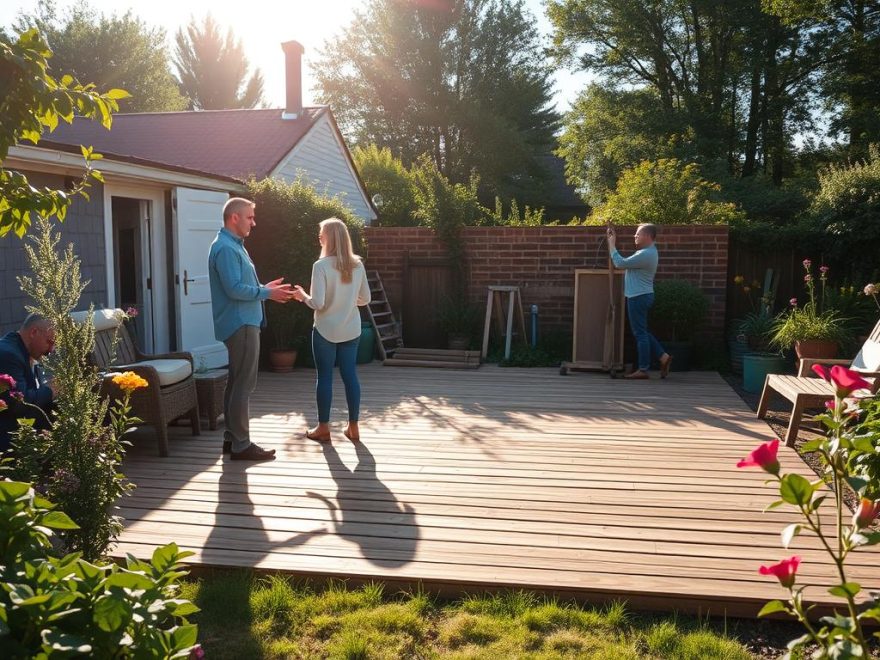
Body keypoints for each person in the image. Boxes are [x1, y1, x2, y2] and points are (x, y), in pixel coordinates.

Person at [208, 197, 295, 461]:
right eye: (249, 217)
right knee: (244, 384)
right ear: (234, 217)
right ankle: (242, 444)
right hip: (240, 323)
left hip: (243, 321)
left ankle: (232, 439)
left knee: (236, 382)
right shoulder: (225, 248)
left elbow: (240, 284)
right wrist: (267, 293)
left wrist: (264, 287)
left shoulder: (234, 245)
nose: (253, 223)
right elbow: (234, 289)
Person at [292, 218, 371, 442]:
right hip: (351, 328)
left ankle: (323, 428)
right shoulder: (358, 264)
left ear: (329, 238)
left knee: (324, 377)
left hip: (325, 330)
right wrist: (346, 300)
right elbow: (365, 298)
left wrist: (301, 296)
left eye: (321, 234)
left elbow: (317, 303)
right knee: (350, 376)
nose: (319, 238)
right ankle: (353, 427)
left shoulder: (321, 266)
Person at [606, 223, 673, 380]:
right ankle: (663, 357)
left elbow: (620, 263)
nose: (634, 236)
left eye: (638, 234)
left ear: (648, 236)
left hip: (638, 297)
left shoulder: (646, 254)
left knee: (640, 333)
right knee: (643, 331)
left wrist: (611, 244)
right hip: (642, 295)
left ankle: (643, 369)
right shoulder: (648, 252)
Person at [0, 313, 57, 452]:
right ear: (34, 332)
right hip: (9, 447)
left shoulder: (20, 348)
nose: (51, 349)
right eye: (50, 342)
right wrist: (52, 390)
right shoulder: (9, 355)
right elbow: (20, 403)